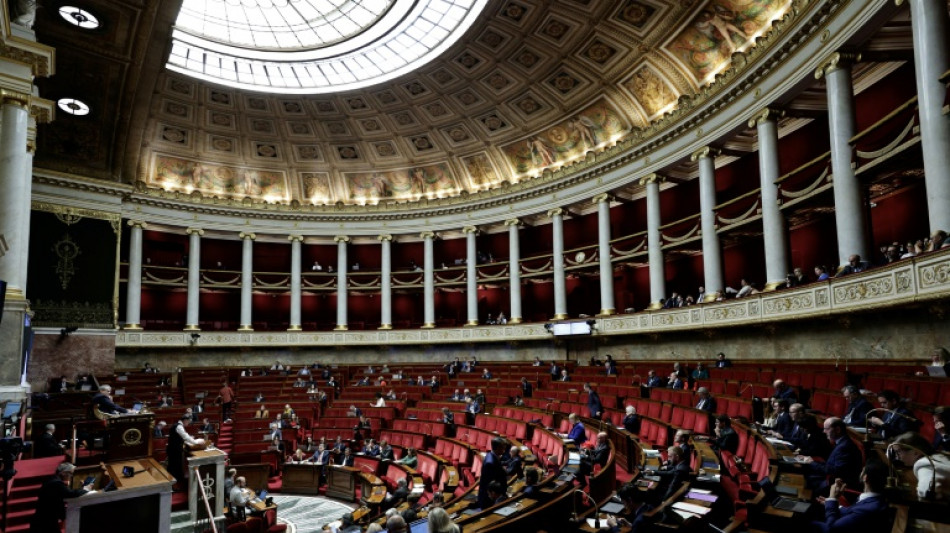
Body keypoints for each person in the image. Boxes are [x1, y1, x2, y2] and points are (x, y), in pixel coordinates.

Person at [811, 461, 891, 533]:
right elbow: (853, 512)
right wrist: (831, 504)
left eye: (862, 471)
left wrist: (832, 498)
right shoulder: (877, 500)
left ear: (865, 478)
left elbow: (831, 529)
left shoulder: (868, 509)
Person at [799, 417, 863, 491]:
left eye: (826, 429)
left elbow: (835, 472)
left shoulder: (845, 447)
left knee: (800, 480)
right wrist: (812, 461)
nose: (824, 431)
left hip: (835, 485)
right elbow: (831, 466)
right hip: (830, 479)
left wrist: (812, 463)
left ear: (837, 430)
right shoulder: (842, 443)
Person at [30, 462, 94, 533]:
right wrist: (85, 489)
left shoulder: (52, 480)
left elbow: (62, 493)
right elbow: (70, 494)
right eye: (70, 473)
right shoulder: (57, 484)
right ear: (63, 473)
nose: (71, 476)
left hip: (44, 519)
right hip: (44, 522)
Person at [892, 432, 950, 501]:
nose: (897, 457)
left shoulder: (924, 466)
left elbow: (926, 493)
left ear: (916, 452)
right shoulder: (937, 456)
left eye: (898, 452)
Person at [168, 415, 204, 488]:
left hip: (174, 448)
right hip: (174, 449)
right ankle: (175, 483)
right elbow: (185, 436)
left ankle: (175, 480)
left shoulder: (178, 425)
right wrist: (196, 441)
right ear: (185, 420)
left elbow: (184, 435)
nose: (188, 424)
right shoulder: (179, 427)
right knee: (175, 465)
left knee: (174, 464)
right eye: (188, 422)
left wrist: (190, 438)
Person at [477, 437, 508, 509]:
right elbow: (490, 483)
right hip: (489, 497)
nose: (504, 450)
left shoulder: (490, 455)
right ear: (497, 448)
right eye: (503, 448)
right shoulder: (490, 463)